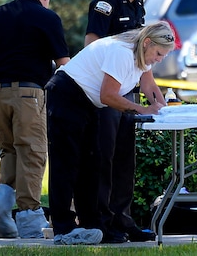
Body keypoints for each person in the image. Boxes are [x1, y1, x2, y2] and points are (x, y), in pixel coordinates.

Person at [45, 21, 174, 245]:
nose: (160, 59)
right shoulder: (122, 53)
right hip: (67, 94)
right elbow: (108, 95)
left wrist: (164, 112)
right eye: (159, 53)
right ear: (147, 43)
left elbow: (150, 87)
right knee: (66, 163)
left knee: (93, 166)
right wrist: (143, 110)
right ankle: (63, 227)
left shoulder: (142, 55)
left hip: (89, 102)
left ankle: (94, 225)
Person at [0, 0, 70, 238]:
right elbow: (64, 63)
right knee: (32, 150)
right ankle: (29, 217)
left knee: (9, 149)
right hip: (28, 93)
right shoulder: (47, 17)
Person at [86, 0, 162, 242]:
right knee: (104, 158)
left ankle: (123, 218)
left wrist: (152, 92)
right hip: (106, 93)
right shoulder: (106, 3)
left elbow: (141, 56)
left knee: (124, 159)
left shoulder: (138, 6)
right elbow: (92, 44)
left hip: (128, 91)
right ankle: (104, 223)